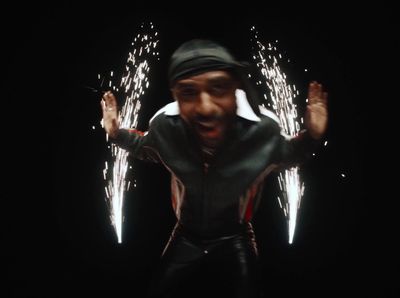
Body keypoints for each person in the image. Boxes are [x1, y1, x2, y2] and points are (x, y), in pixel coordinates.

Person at [100, 39, 328, 298]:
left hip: (235, 238)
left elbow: (290, 154)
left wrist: (311, 136)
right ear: (176, 96)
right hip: (186, 235)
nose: (205, 107)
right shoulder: (166, 127)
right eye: (188, 92)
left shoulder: (261, 131)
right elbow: (144, 145)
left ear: (236, 89)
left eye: (218, 88)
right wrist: (116, 133)